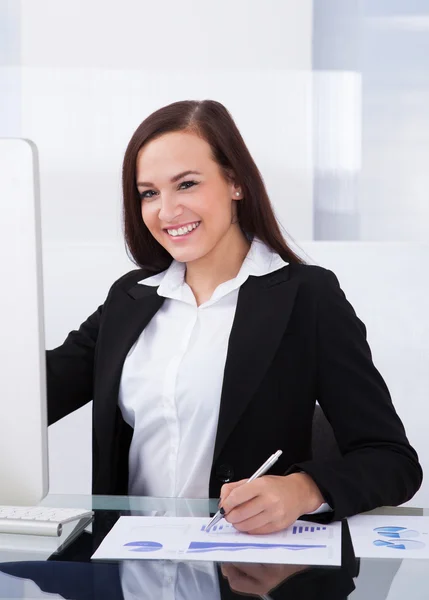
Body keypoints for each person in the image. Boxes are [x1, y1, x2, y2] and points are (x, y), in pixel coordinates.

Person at [46, 99, 422, 535]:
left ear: (236, 183)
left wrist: (302, 489)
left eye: (186, 184)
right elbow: (33, 397)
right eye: (149, 192)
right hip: (133, 568)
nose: (166, 211)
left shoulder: (306, 297)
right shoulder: (130, 299)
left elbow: (392, 461)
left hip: (247, 574)